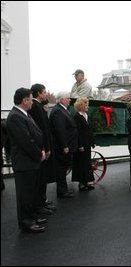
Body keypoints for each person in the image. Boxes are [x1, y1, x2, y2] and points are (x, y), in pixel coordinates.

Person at [6, 88, 47, 233]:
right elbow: (26, 141)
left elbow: (34, 135)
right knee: (25, 195)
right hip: (25, 162)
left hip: (30, 161)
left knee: (32, 193)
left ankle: (32, 217)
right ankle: (27, 222)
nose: (31, 102)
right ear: (24, 101)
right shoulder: (15, 116)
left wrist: (40, 150)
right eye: (30, 99)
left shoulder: (23, 114)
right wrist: (39, 154)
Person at [28, 84, 56, 215]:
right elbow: (41, 130)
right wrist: (47, 148)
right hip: (42, 148)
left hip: (43, 147)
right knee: (40, 179)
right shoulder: (36, 107)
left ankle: (42, 202)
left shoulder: (37, 106)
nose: (45, 94)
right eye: (44, 92)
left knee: (42, 178)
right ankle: (40, 205)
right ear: (39, 93)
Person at [49, 91, 78, 198]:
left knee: (63, 168)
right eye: (68, 98)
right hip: (62, 147)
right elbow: (60, 130)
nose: (70, 100)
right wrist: (65, 145)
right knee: (61, 169)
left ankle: (63, 190)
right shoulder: (58, 111)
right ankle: (62, 191)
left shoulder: (61, 110)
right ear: (61, 99)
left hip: (66, 145)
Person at [71, 97, 96, 191]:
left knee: (86, 163)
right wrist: (80, 145)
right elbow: (77, 132)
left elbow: (89, 131)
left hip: (87, 144)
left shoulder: (86, 115)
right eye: (86, 105)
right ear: (81, 106)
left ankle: (87, 182)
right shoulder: (77, 117)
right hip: (81, 144)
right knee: (81, 164)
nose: (87, 107)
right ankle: (81, 183)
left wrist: (92, 142)